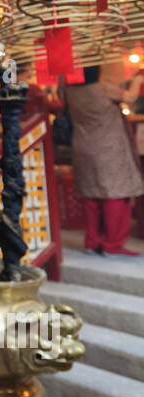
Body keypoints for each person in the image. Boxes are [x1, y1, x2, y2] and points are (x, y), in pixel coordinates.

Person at [62, 65, 144, 256]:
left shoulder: (70, 91)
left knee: (91, 195)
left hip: (83, 147)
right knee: (115, 194)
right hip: (109, 148)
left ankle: (92, 242)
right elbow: (130, 97)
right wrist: (139, 81)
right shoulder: (103, 88)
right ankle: (112, 244)